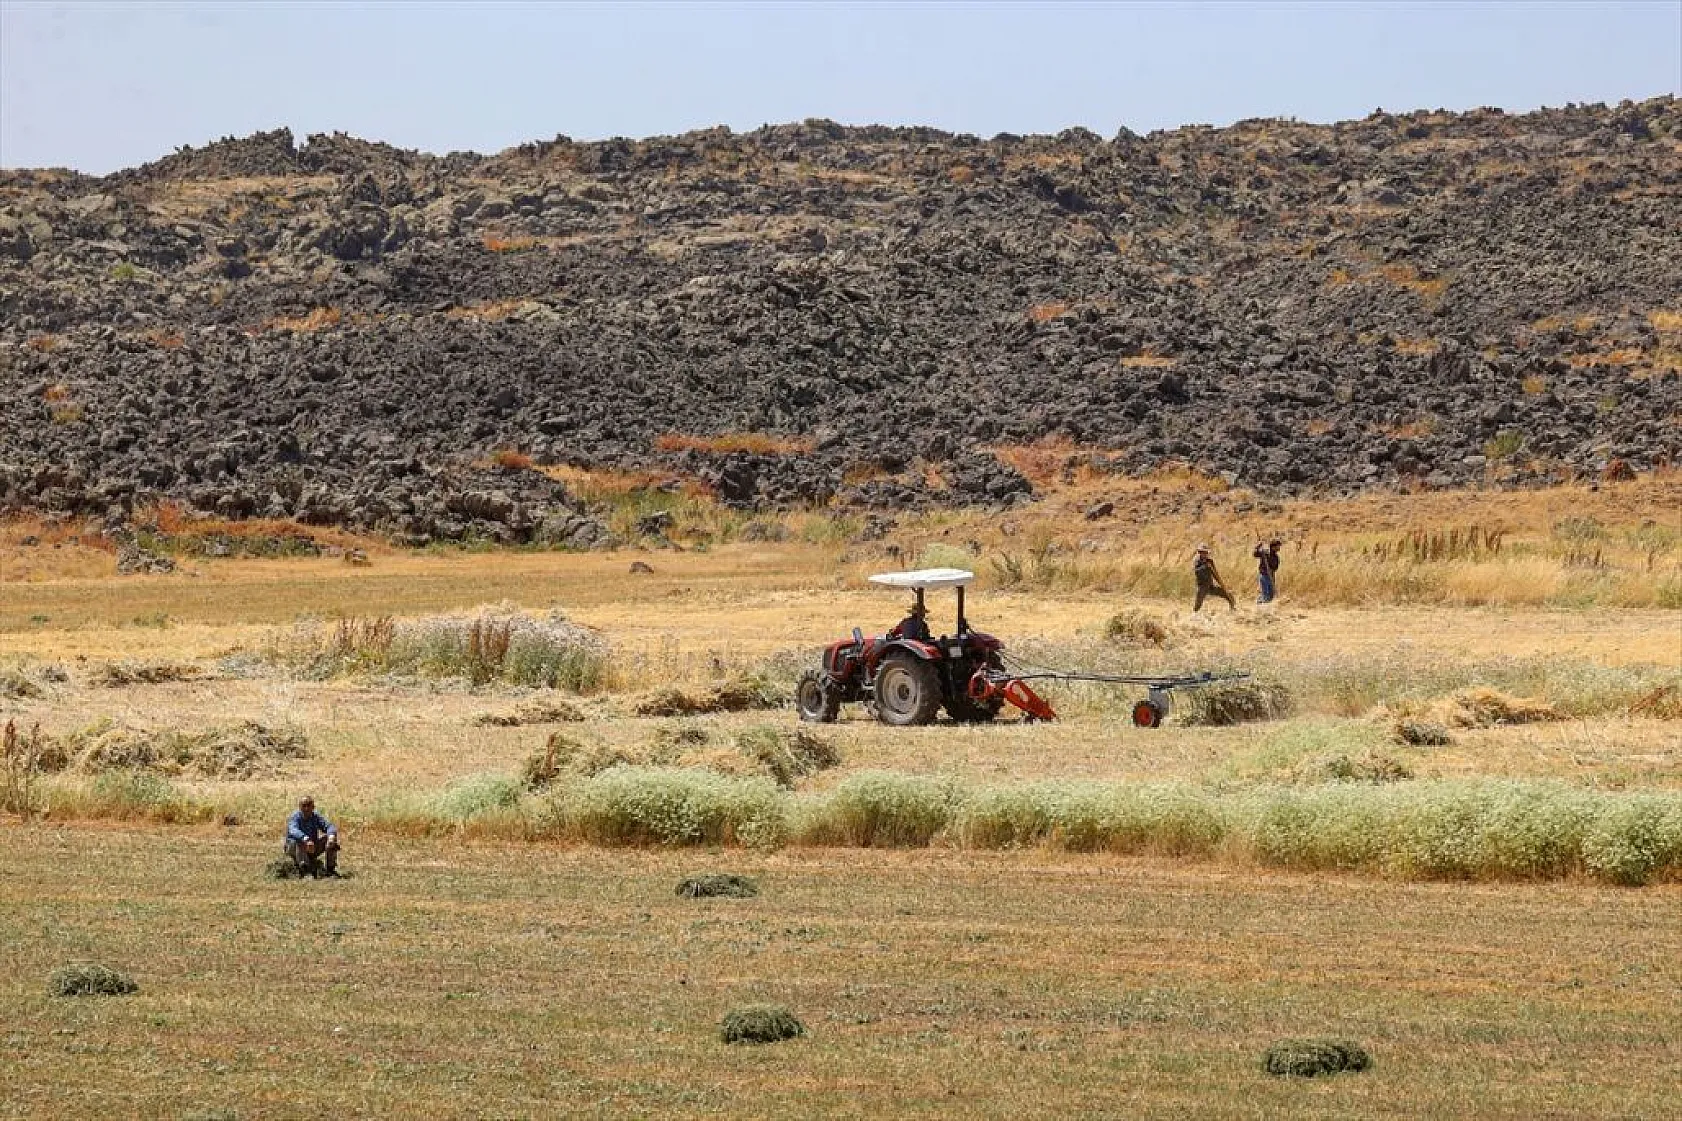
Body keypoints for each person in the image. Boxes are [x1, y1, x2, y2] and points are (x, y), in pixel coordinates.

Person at [285, 796, 341, 878]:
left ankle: (330, 870)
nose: (306, 808)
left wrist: (331, 837)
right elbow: (293, 830)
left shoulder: (315, 817)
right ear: (300, 807)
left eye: (309, 805)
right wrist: (306, 839)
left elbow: (329, 826)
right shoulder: (295, 817)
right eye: (304, 805)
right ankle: (306, 871)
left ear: (313, 807)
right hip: (294, 848)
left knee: (329, 840)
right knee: (299, 841)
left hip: (311, 847)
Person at [1192, 544, 1236, 612]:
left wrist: (1221, 583)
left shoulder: (1210, 561)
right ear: (1200, 552)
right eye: (1202, 552)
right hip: (1201, 586)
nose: (1204, 554)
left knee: (1227, 594)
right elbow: (1196, 571)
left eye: (1205, 552)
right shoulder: (1197, 561)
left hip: (1210, 585)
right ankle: (1195, 614)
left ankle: (1232, 607)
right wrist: (1205, 566)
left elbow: (1215, 573)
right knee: (1198, 603)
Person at [1253, 539, 1282, 603]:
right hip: (1264, 576)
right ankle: (1260, 605)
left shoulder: (1276, 557)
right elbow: (1255, 554)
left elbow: (1275, 568)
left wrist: (1271, 569)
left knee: (1271, 596)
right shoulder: (1265, 553)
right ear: (1273, 547)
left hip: (1271, 577)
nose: (1279, 548)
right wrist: (1258, 547)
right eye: (1278, 546)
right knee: (1266, 596)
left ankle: (1260, 602)